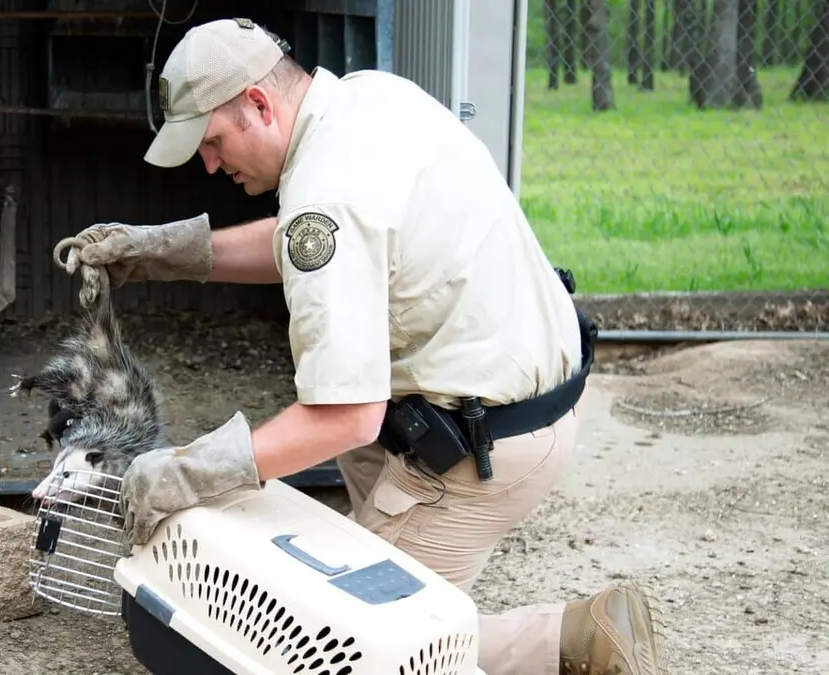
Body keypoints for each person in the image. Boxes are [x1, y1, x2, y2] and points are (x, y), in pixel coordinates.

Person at [58, 17, 670, 675]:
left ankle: (574, 638)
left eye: (211, 141)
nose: (209, 164)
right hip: (512, 395)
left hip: (477, 442)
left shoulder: (328, 189)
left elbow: (344, 414)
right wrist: (163, 251)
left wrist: (185, 469)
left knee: (335, 646)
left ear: (259, 104)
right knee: (348, 573)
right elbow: (318, 240)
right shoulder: (364, 100)